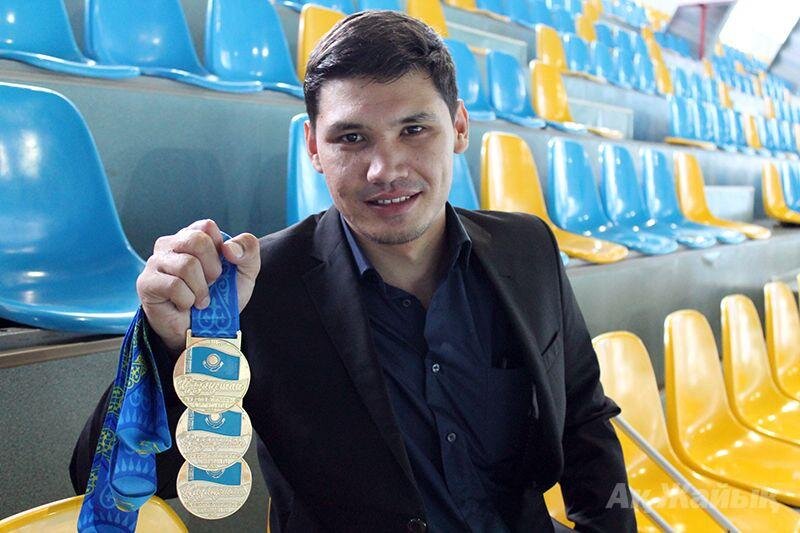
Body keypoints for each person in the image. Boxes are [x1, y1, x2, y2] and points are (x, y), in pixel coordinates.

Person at [71, 10, 635, 532]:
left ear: (459, 127)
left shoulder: (527, 249)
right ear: (314, 147)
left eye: (414, 129)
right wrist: (171, 344)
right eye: (351, 137)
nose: (384, 169)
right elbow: (104, 481)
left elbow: (584, 418)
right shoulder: (254, 289)